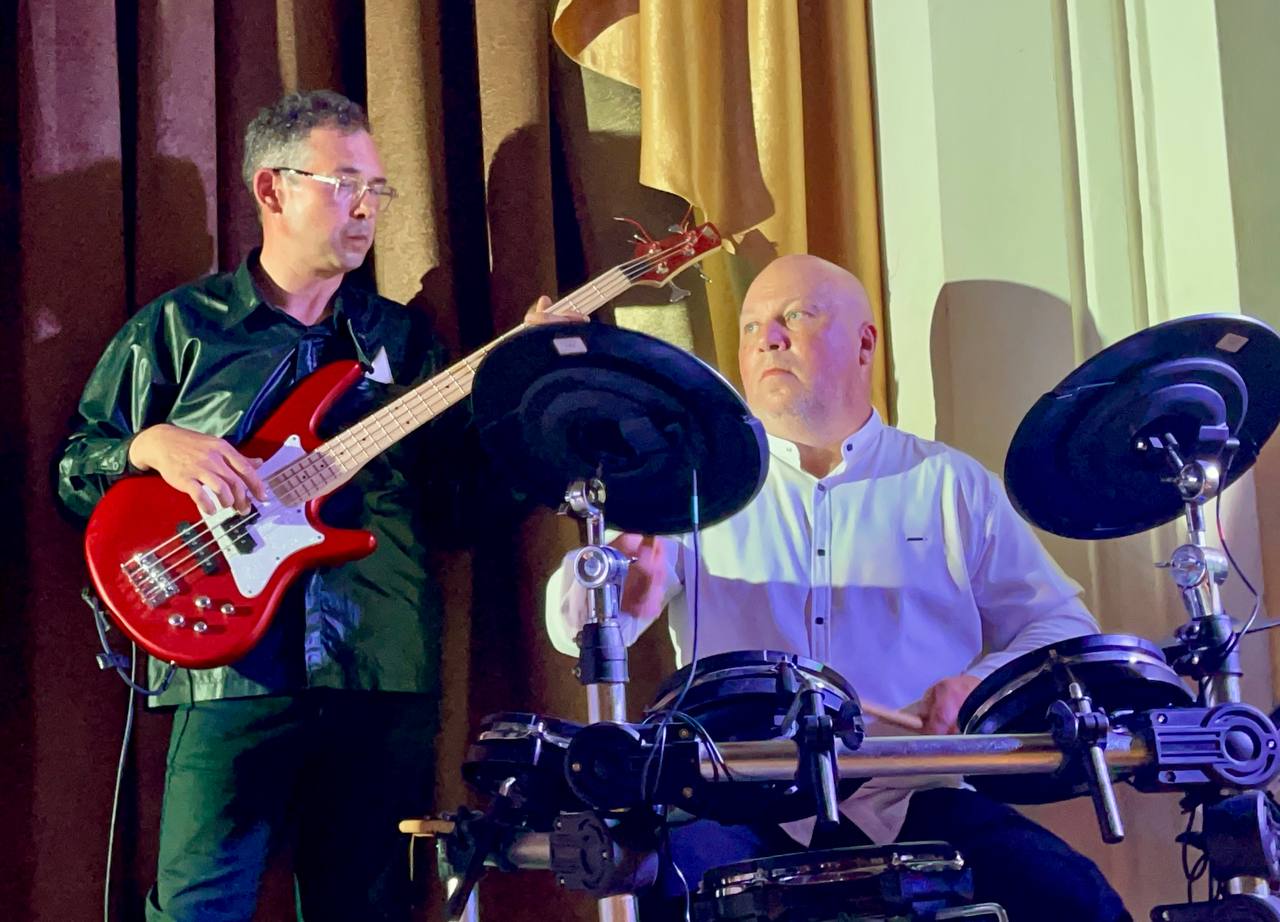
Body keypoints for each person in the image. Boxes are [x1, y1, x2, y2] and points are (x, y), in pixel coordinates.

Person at [545, 254, 1130, 921]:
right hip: (740, 795)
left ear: (864, 344)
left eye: (795, 316)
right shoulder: (696, 489)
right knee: (668, 893)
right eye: (751, 326)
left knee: (1075, 899)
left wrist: (978, 686)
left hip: (913, 794)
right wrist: (616, 596)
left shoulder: (948, 484)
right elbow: (570, 627)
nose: (768, 338)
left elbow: (1065, 628)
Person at [57, 90, 499, 921]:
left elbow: (459, 512)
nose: (367, 207)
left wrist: (526, 403)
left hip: (379, 663)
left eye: (377, 188)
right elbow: (76, 469)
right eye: (344, 183)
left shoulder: (403, 343)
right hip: (226, 668)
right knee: (197, 908)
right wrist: (149, 446)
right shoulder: (181, 329)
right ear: (272, 189)